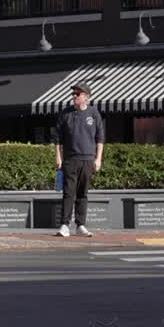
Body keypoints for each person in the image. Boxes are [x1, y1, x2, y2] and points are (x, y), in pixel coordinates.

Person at [54, 82, 104, 237]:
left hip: (88, 159)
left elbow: (100, 138)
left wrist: (98, 159)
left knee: (83, 193)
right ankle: (64, 225)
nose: (73, 96)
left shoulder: (94, 114)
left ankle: (80, 225)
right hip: (70, 159)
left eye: (77, 94)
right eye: (73, 94)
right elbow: (58, 138)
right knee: (68, 193)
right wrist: (58, 156)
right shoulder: (65, 114)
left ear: (86, 97)